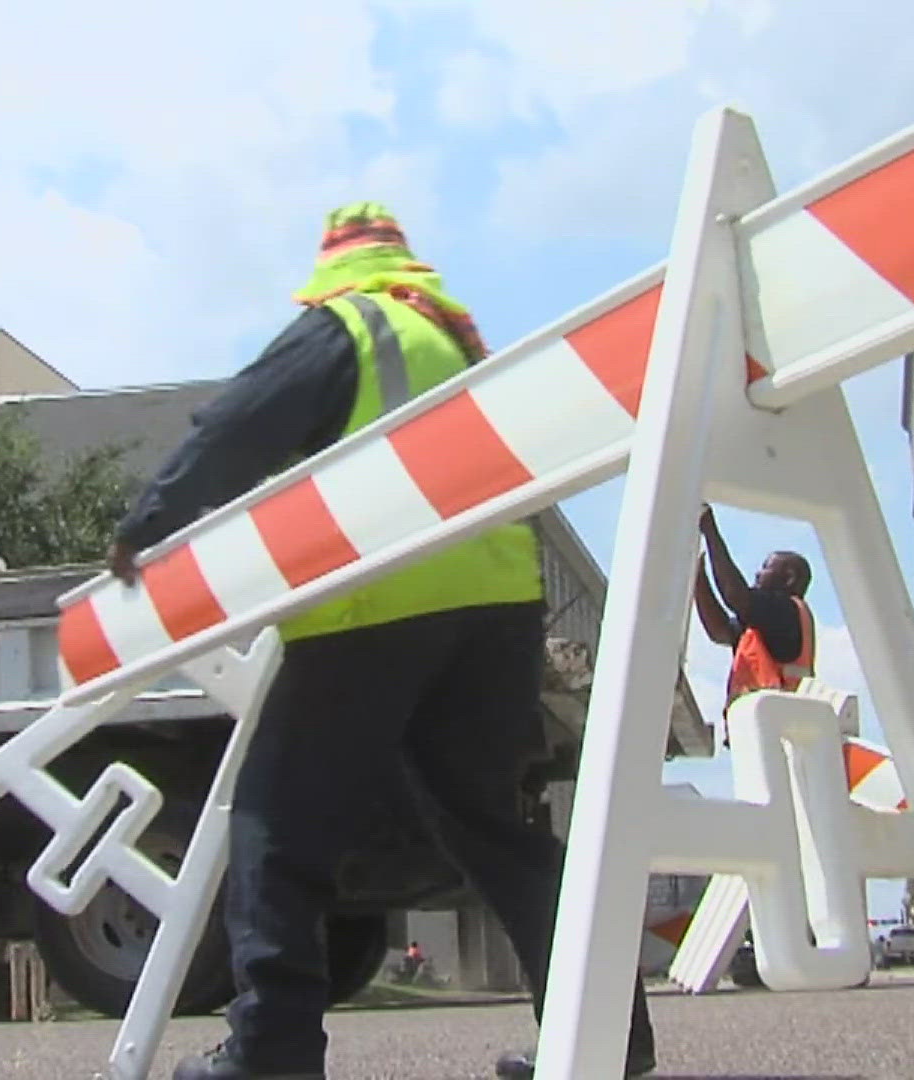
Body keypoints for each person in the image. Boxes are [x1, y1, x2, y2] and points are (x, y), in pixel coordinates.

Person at [105, 202, 655, 1080]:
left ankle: (271, 1051)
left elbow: (235, 428)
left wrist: (147, 525)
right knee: (495, 832)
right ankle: (603, 1042)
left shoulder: (347, 326)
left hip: (377, 599)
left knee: (274, 826)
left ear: (332, 265)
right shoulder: (460, 344)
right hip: (498, 613)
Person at [690, 503, 816, 741]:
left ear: (789, 578)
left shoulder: (786, 611)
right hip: (766, 730)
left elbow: (735, 596)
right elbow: (721, 631)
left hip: (780, 731)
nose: (757, 574)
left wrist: (709, 528)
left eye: (765, 568)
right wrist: (698, 577)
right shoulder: (767, 623)